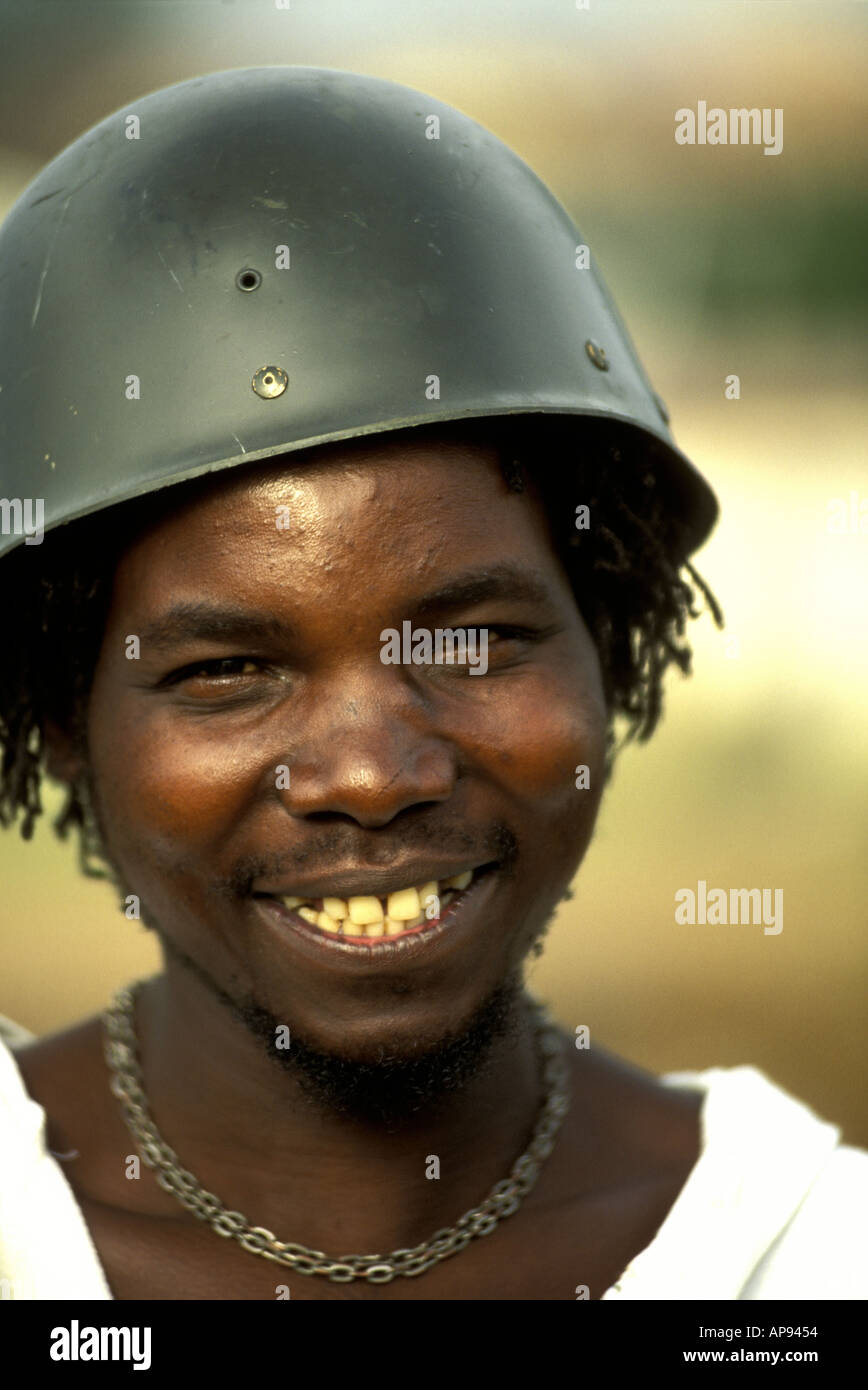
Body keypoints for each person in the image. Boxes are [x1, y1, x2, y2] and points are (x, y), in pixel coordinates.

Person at [0, 67, 864, 1302]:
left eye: (472, 642)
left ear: (609, 646)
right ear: (62, 723)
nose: (368, 773)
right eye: (229, 670)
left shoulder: (802, 1262)